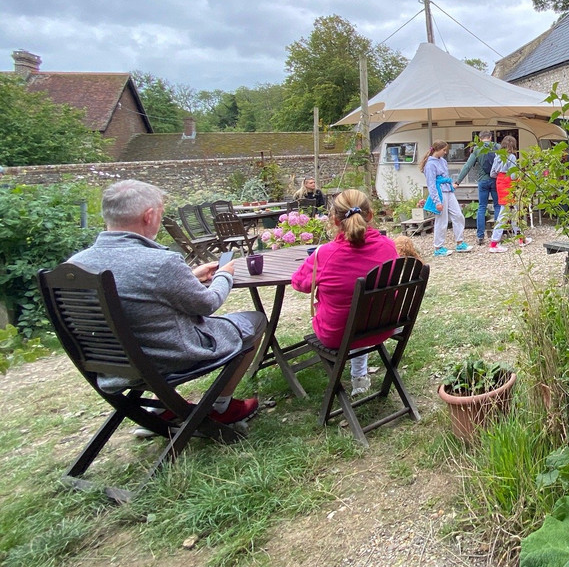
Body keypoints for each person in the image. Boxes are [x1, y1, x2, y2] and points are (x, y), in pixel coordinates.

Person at [68, 179, 265, 427]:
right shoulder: (160, 262)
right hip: (168, 357)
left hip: (113, 365)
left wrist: (189, 276)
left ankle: (165, 411)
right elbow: (208, 303)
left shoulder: (75, 264)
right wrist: (225, 273)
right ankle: (222, 406)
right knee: (255, 320)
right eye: (160, 214)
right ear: (149, 216)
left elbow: (130, 292)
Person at [291, 189, 398, 395]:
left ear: (334, 220)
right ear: (370, 215)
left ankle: (357, 376)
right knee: (360, 313)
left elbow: (300, 284)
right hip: (382, 326)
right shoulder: (388, 247)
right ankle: (359, 376)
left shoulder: (324, 254)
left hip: (337, 334)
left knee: (348, 316)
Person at [419, 140, 471, 257]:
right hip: (440, 192)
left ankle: (460, 242)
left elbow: (445, 176)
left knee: (458, 215)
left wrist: (451, 185)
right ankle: (438, 247)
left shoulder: (442, 161)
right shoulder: (430, 165)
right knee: (442, 219)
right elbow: (431, 184)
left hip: (448, 190)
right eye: (443, 150)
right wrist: (437, 201)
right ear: (437, 150)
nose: (445, 152)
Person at [488, 135, 533, 252]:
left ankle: (521, 238)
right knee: (507, 213)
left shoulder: (498, 156)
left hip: (500, 183)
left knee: (512, 211)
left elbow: (492, 174)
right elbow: (513, 175)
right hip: (509, 185)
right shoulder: (511, 156)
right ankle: (494, 243)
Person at [455, 130, 500, 245]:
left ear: (480, 139)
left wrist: (458, 181)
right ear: (490, 137)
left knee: (482, 208)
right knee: (497, 206)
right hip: (495, 180)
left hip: (483, 181)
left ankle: (480, 236)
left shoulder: (477, 149)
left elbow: (467, 166)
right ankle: (497, 235)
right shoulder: (498, 147)